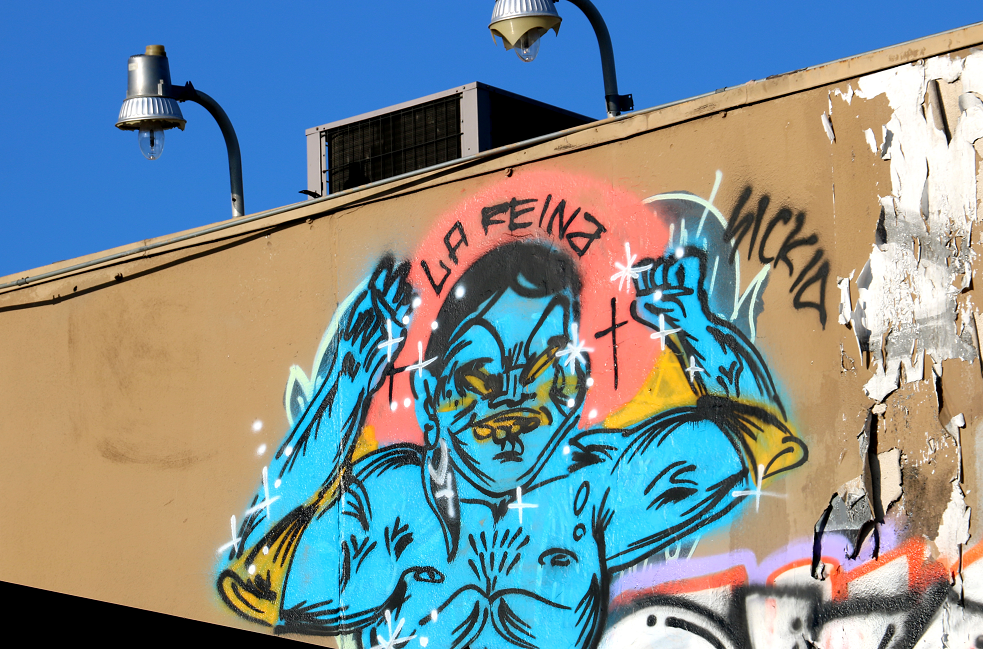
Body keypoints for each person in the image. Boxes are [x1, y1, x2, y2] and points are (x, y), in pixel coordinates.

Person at [217, 241, 805, 649]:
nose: (509, 399)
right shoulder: (396, 503)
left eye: (543, 371)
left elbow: (761, 435)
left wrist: (696, 327)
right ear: (430, 394)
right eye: (479, 374)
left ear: (575, 390)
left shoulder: (588, 492)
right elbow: (259, 572)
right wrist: (347, 383)